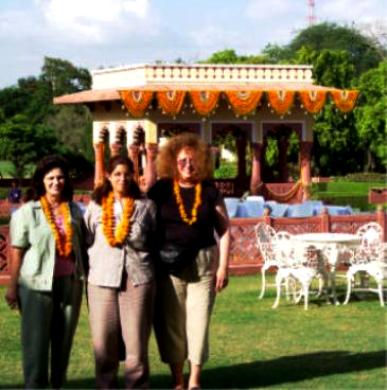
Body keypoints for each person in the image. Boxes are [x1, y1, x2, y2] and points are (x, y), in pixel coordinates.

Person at [147, 132, 230, 390]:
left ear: (202, 162)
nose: (187, 166)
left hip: (204, 264)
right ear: (172, 162)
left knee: (198, 323)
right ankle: (178, 380)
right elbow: (143, 220)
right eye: (182, 161)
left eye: (193, 161)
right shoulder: (160, 190)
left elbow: (225, 230)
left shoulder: (209, 191)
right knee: (171, 324)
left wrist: (223, 266)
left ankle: (194, 380)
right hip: (169, 266)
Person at [4, 155, 86, 388]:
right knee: (36, 345)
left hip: (70, 284)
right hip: (36, 286)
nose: (56, 182)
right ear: (41, 181)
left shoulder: (74, 211)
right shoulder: (28, 212)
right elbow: (16, 251)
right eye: (50, 178)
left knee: (63, 343)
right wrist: (12, 287)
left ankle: (57, 385)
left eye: (60, 178)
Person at [84, 155, 156, 389]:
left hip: (137, 279)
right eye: (117, 174)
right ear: (108, 176)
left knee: (136, 343)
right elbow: (86, 239)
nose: (122, 178)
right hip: (101, 280)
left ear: (133, 176)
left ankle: (137, 386)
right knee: (104, 342)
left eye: (126, 174)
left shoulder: (145, 205)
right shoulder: (95, 206)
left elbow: (155, 240)